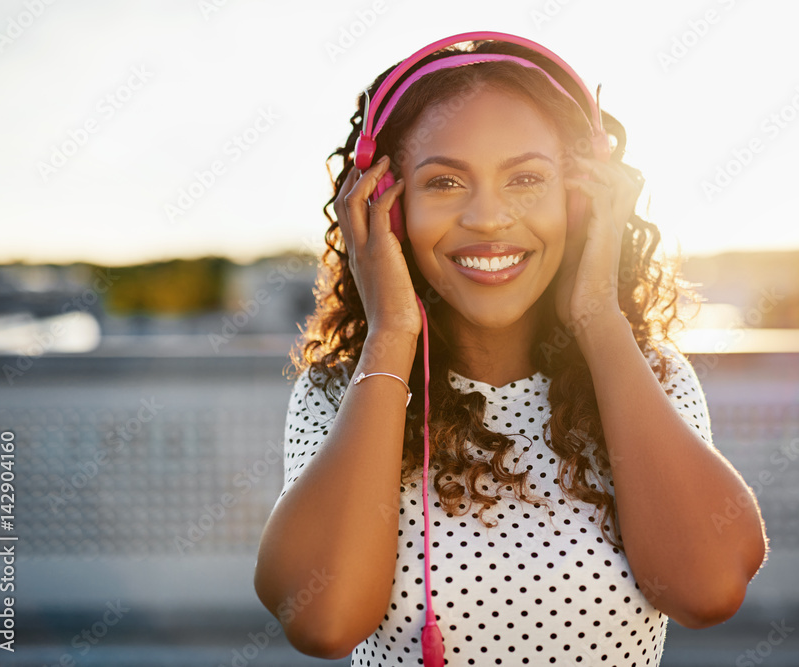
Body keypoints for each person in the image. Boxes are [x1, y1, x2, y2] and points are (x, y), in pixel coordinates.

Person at [254, 33, 768, 665]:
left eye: (526, 178)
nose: (489, 218)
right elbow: (322, 620)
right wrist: (391, 337)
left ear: (580, 202)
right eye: (444, 182)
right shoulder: (339, 392)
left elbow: (707, 588)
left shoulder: (653, 376)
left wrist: (597, 317)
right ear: (387, 211)